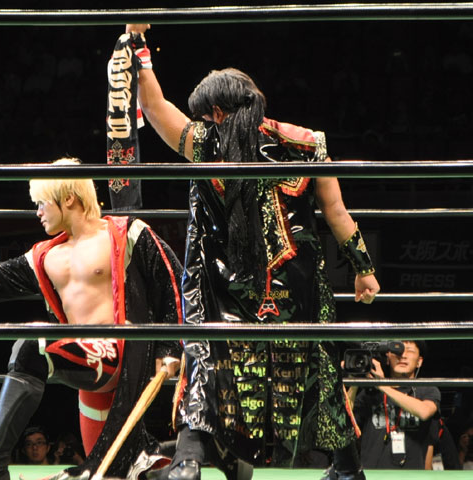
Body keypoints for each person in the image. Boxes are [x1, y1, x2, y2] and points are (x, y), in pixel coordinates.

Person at [116, 24, 380, 480]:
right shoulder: (305, 140)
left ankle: (188, 459)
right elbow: (337, 212)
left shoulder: (206, 141)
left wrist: (137, 49)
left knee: (209, 360)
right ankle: (347, 468)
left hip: (229, 286)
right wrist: (363, 269)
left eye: (205, 115)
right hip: (295, 287)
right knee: (317, 366)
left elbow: (155, 108)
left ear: (217, 112)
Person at [0, 157, 183, 480]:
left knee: (34, 343)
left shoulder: (126, 233)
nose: (38, 211)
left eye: (42, 202)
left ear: (68, 198)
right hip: (88, 366)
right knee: (108, 473)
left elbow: (172, 282)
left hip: (124, 353)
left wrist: (171, 347)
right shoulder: (45, 256)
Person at [349, 340, 440, 469]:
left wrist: (382, 385)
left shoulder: (427, 390)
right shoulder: (370, 392)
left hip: (411, 476)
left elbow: (424, 412)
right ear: (387, 358)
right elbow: (344, 423)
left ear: (419, 361)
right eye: (397, 351)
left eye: (409, 351)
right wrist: (354, 381)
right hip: (373, 475)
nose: (403, 356)